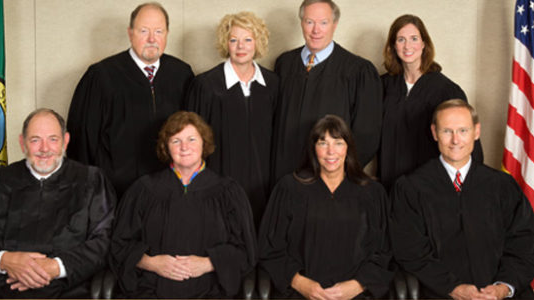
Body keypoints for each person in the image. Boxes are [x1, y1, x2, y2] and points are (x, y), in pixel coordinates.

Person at [390, 99, 534, 299]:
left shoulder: (502, 185)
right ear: (434, 133)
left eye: (463, 131)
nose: (455, 140)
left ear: (476, 132)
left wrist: (503, 287)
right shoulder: (411, 188)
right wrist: (454, 288)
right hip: (442, 294)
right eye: (447, 131)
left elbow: (525, 243)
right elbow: (411, 252)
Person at [0, 108, 116, 298]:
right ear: (22, 143)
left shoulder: (91, 181)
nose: (45, 149)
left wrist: (56, 266)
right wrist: (4, 260)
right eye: (35, 140)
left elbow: (104, 240)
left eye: (53, 139)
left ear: (66, 141)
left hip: (66, 290)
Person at [109, 111, 257, 298]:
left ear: (204, 143)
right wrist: (152, 263)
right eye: (176, 141)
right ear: (166, 147)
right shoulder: (143, 190)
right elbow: (119, 246)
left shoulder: (228, 192)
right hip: (151, 290)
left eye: (192, 139)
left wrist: (208, 263)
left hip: (210, 292)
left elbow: (246, 251)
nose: (184, 147)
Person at [67, 2, 194, 197]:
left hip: (171, 192)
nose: (152, 39)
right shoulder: (101, 76)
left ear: (167, 33)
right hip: (115, 194)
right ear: (130, 33)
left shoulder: (182, 74)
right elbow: (82, 142)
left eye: (159, 31)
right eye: (144, 31)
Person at [260, 115, 393, 299]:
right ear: (313, 149)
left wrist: (358, 285)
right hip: (300, 294)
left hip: (356, 294)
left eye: (338, 143)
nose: (331, 152)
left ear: (348, 148)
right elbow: (270, 247)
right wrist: (300, 283)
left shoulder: (372, 193)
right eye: (323, 143)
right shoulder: (289, 188)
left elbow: (384, 250)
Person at [271, 0, 382, 183]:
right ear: (301, 23)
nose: (316, 30)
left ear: (334, 25)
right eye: (309, 22)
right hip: (284, 176)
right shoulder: (284, 64)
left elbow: (367, 135)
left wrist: (339, 174)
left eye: (323, 22)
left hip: (329, 181)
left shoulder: (358, 70)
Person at [185, 11, 278, 228]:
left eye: (248, 39)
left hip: (262, 182)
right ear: (225, 43)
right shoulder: (206, 85)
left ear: (258, 42)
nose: (241, 46)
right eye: (233, 40)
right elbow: (192, 140)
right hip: (219, 179)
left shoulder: (273, 85)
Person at [379, 14, 483, 191]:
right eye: (401, 39)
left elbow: (468, 144)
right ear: (393, 46)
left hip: (431, 188)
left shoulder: (446, 90)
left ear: (424, 44)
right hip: (388, 184)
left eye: (414, 39)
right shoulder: (382, 86)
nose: (407, 46)